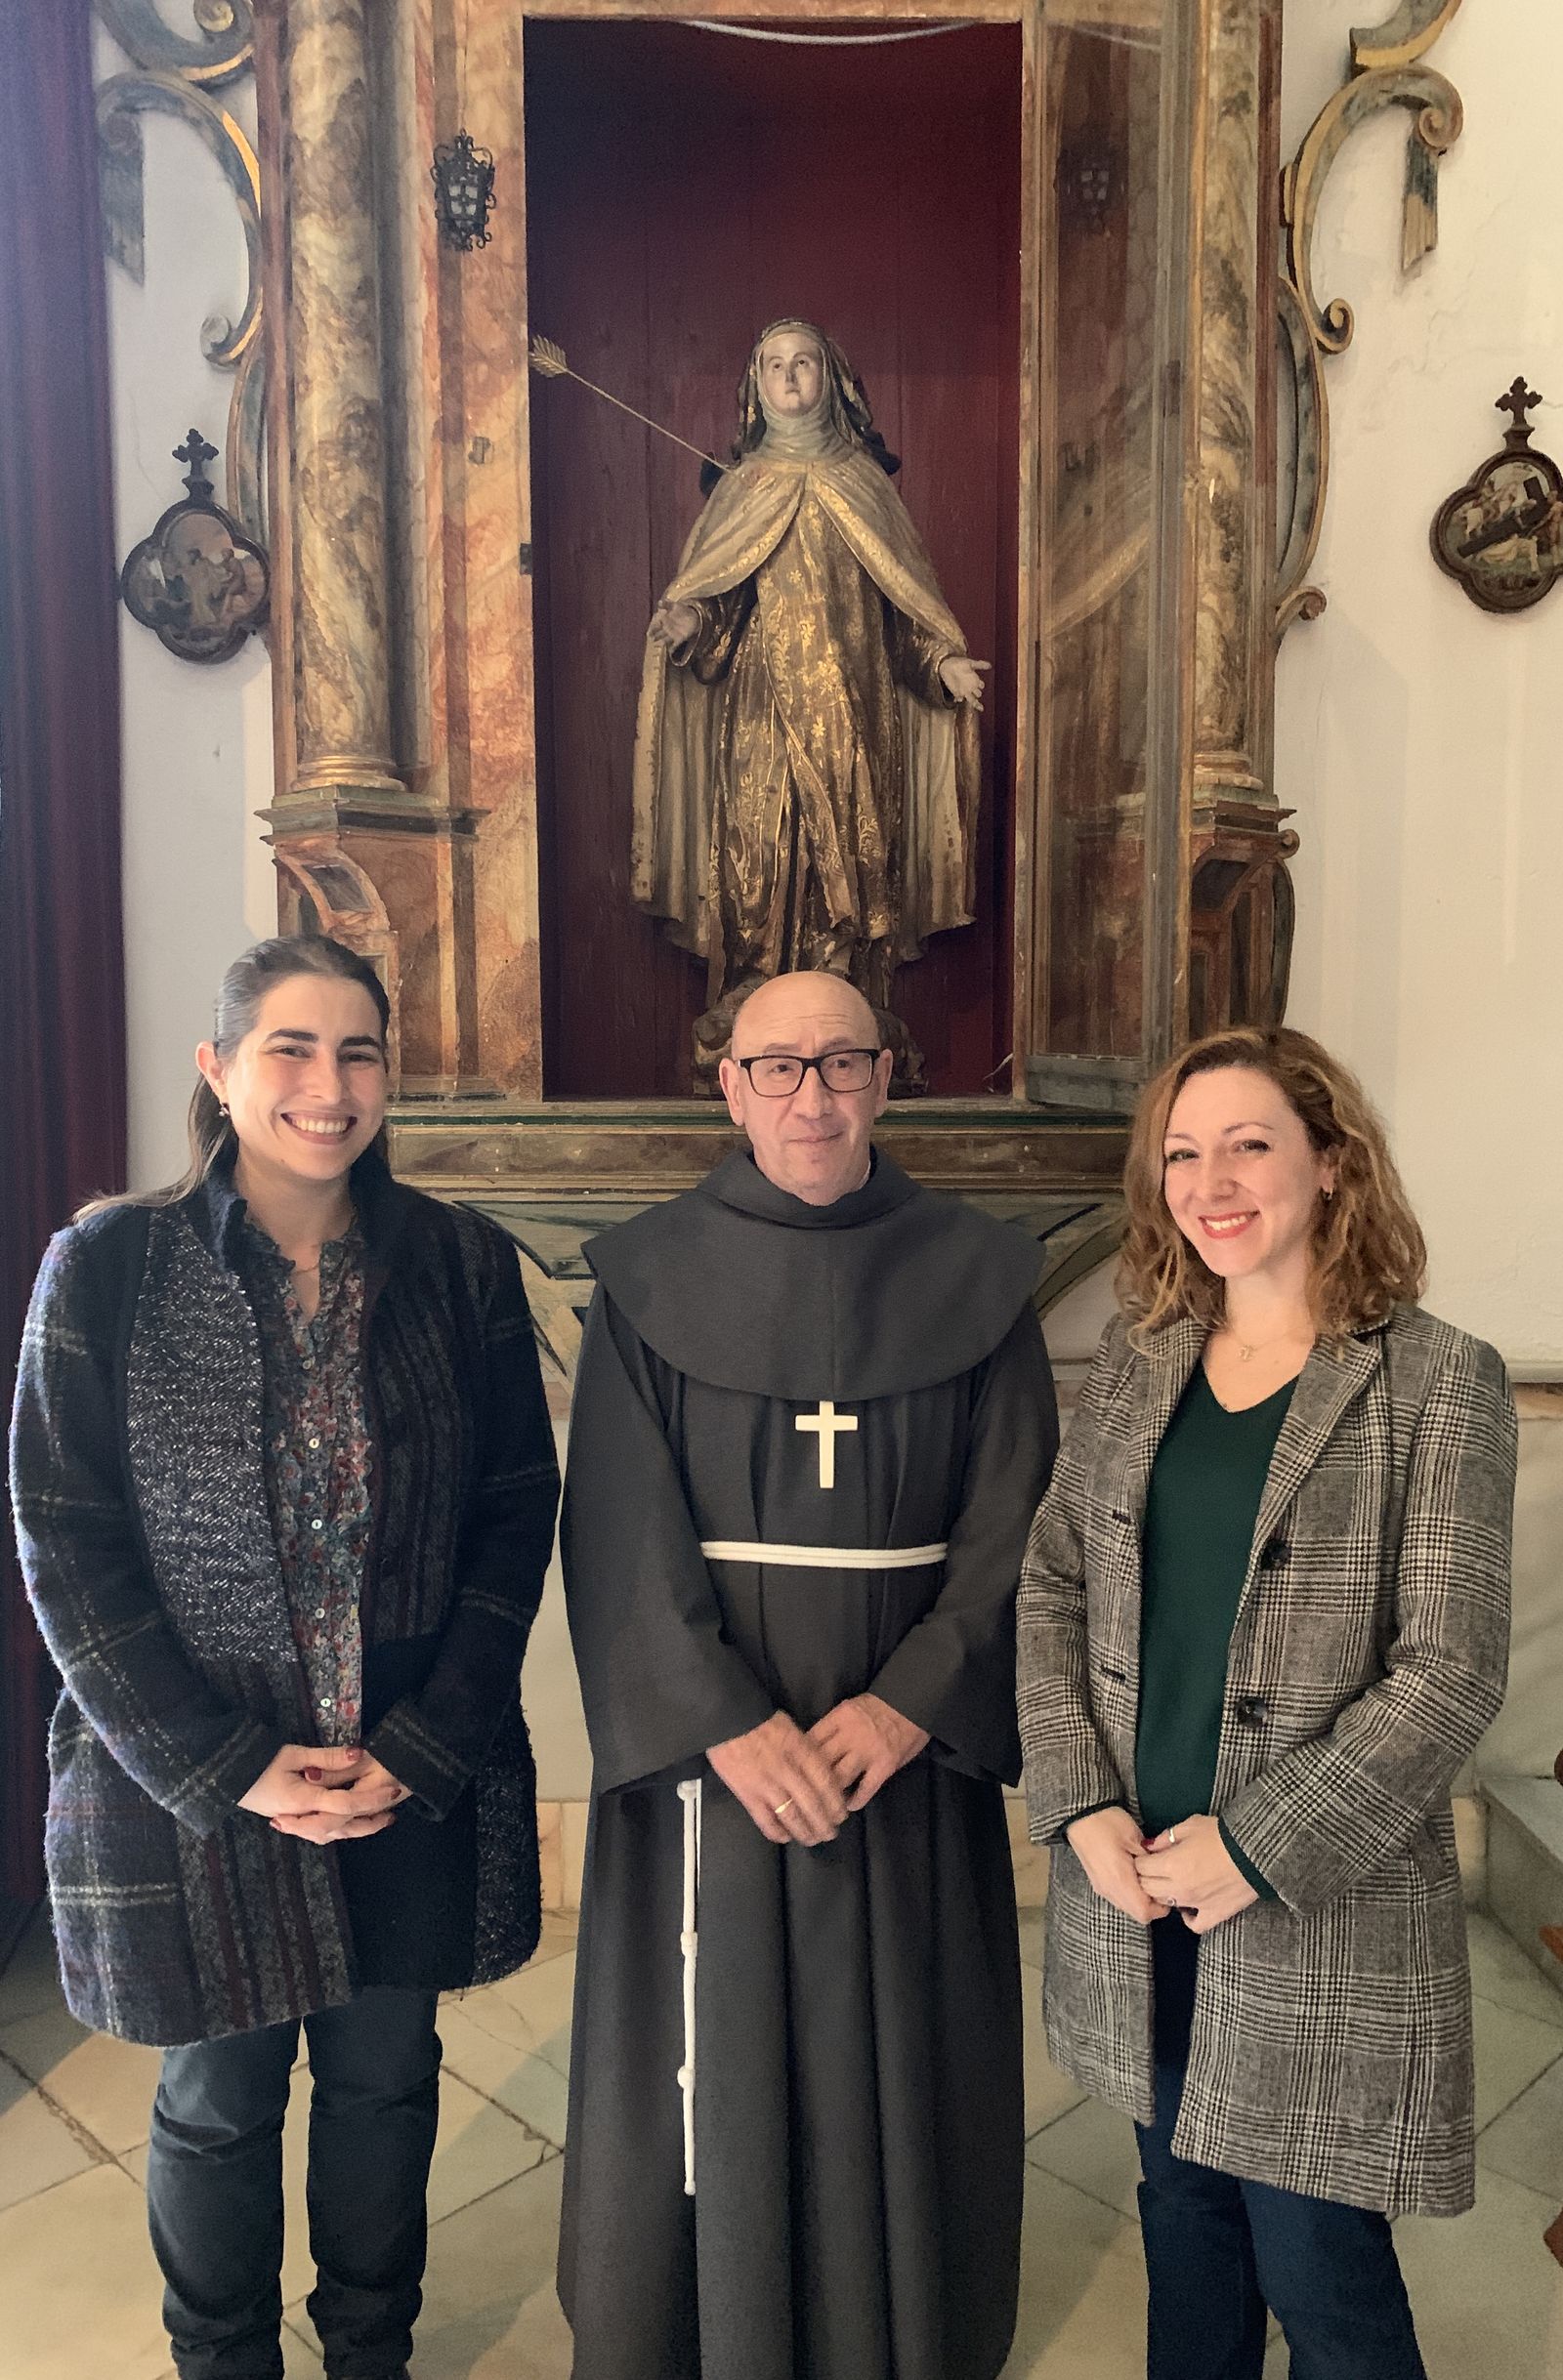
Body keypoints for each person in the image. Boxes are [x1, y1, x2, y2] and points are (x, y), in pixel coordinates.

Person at [9, 935, 559, 2380]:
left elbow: (515, 1512)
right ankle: (224, 2359)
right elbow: (65, 1536)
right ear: (220, 1068)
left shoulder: (460, 1264)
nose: (330, 1083)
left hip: (400, 1766)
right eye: (292, 1049)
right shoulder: (110, 1265)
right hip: (203, 1776)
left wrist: (425, 1745)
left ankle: (372, 2349)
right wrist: (227, 1765)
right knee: (217, 2099)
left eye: (358, 1051)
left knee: (385, 2080)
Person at [557, 968, 1058, 2380]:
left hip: (900, 1758)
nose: (812, 1096)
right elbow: (616, 1526)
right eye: (777, 1066)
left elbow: (1021, 1523)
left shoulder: (980, 1275)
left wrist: (911, 1704)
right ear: (730, 1087)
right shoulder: (647, 1278)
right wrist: (721, 1721)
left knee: (904, 2047)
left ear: (887, 1077)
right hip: (716, 1771)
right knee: (707, 2057)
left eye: (842, 1062)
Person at [1017, 1024, 1516, 2380]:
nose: (1211, 1182)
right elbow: (1052, 1586)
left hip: (1312, 1906)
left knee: (1321, 2270)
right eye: (1183, 1153)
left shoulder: (1437, 1379)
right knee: (1185, 2230)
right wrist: (1077, 1804)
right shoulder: (1138, 1363)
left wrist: (1256, 1845)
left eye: (1249, 1144)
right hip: (1139, 1888)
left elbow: (1452, 1668)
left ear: (1333, 1162)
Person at [632, 317, 990, 1085]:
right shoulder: (743, 487)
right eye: (775, 365)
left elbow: (904, 610)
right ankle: (756, 992)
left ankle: (844, 994)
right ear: (754, 388)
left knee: (848, 855)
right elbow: (720, 604)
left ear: (832, 380)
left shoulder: (864, 484)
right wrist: (692, 623)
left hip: (853, 715)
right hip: (760, 714)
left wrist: (943, 664)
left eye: (804, 363)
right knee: (760, 852)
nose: (790, 377)